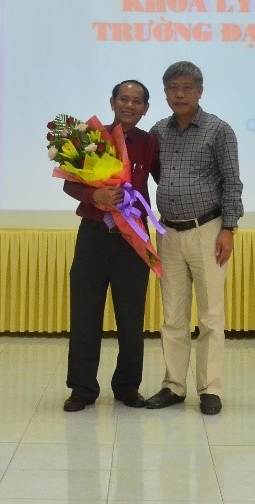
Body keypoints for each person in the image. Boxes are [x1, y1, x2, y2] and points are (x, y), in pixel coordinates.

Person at [145, 61, 243, 416]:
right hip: (168, 232)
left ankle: (210, 388)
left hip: (208, 231)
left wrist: (229, 228)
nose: (180, 94)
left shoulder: (219, 130)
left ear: (200, 91)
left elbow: (232, 181)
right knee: (172, 315)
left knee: (210, 315)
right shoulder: (158, 130)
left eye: (187, 88)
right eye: (173, 88)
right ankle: (173, 385)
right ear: (165, 93)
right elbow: (157, 175)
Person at [60, 80, 159, 412]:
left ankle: (128, 387)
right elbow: (70, 185)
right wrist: (94, 195)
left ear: (145, 108)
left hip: (133, 239)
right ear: (112, 102)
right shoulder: (90, 139)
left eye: (136, 101)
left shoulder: (149, 143)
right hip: (93, 235)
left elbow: (164, 179)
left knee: (131, 317)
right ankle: (82, 388)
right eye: (123, 98)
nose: (129, 105)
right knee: (84, 314)